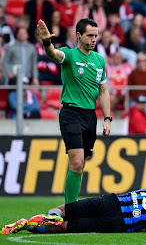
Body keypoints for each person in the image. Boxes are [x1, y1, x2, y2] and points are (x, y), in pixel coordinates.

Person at [36, 18, 112, 204]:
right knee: (76, 163)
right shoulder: (69, 55)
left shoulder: (99, 60)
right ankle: (70, 210)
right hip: (71, 113)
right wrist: (47, 41)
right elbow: (53, 54)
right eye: (90, 35)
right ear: (79, 35)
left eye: (96, 35)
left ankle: (71, 206)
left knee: (80, 165)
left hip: (90, 116)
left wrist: (108, 118)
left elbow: (103, 91)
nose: (94, 39)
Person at [1, 188, 146, 234]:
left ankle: (51, 215)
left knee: (68, 209)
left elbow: (144, 190)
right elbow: (142, 230)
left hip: (113, 200)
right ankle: (30, 226)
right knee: (67, 228)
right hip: (117, 222)